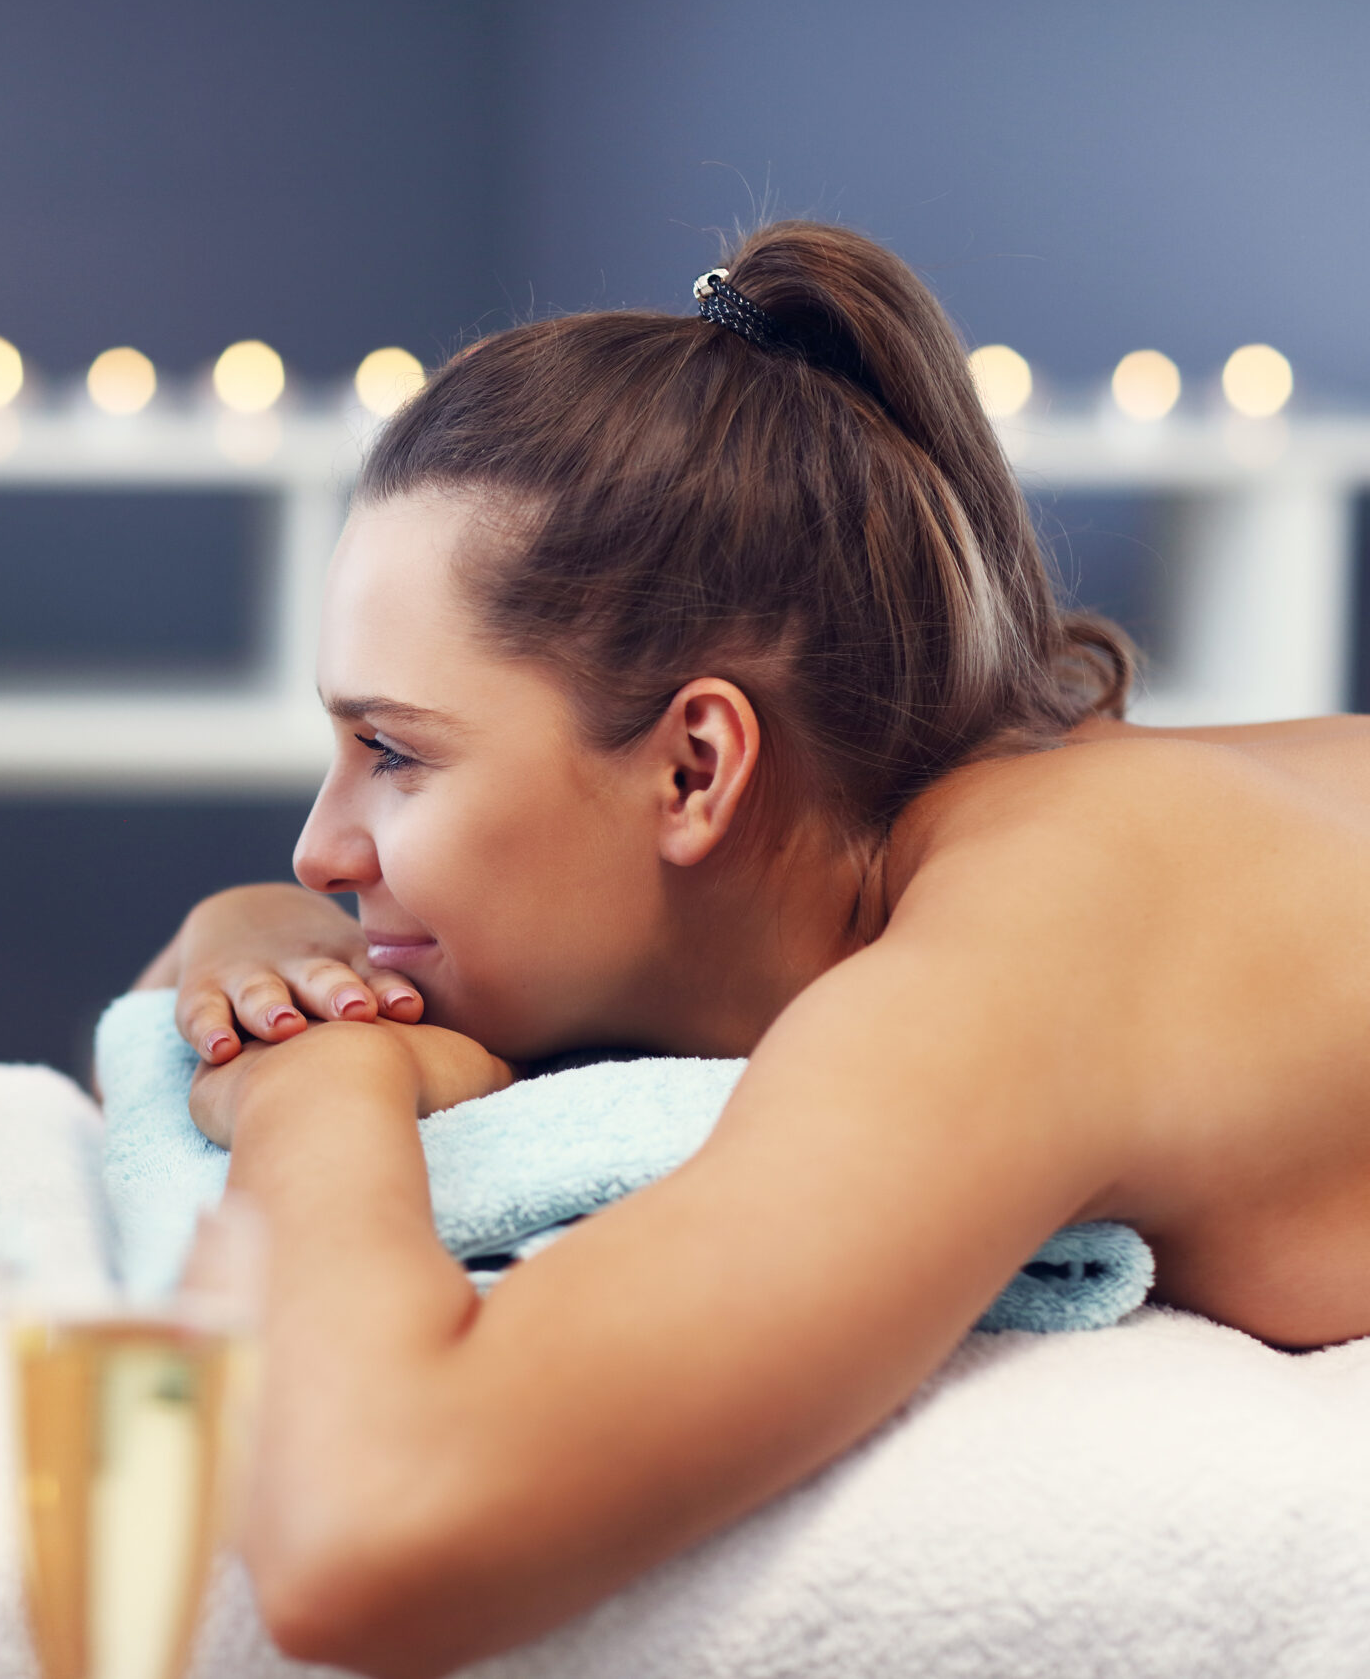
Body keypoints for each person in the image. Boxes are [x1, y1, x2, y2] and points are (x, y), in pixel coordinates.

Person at [138, 221, 1370, 1678]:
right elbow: (177, 996)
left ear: (694, 769)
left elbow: (371, 1538)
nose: (320, 850)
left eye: (393, 753)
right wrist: (252, 939)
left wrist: (314, 1091)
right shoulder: (962, 859)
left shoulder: (1035, 942)